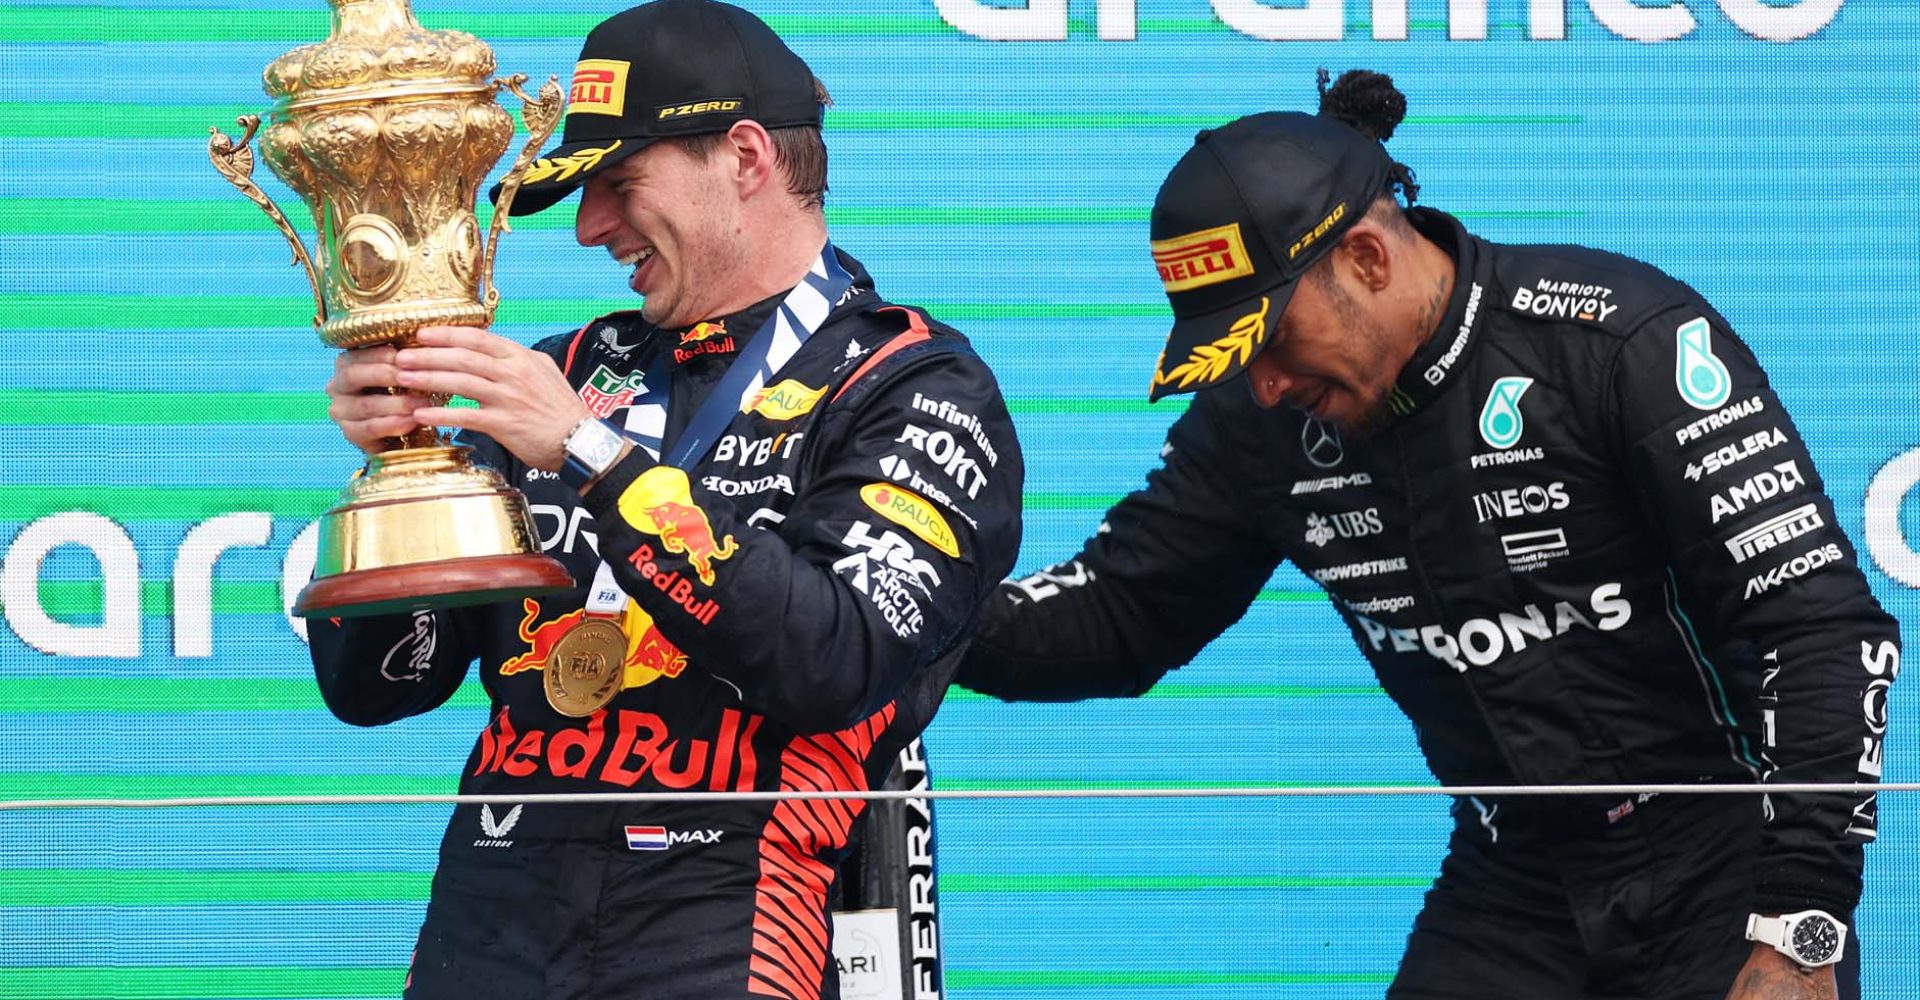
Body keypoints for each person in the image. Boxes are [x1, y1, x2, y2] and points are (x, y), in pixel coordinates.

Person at [956, 69, 1898, 1000]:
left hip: (1727, 874)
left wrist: (1798, 931)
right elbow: (1123, 611)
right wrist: (896, 616)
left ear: (1368, 258)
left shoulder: (1618, 343)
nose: (1265, 384)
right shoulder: (1260, 423)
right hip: (1514, 883)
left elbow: (1816, 632)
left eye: (1271, 338)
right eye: (1234, 356)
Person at [309, 2, 1023, 997]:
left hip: (727, 917)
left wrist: (592, 456)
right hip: (488, 921)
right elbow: (385, 683)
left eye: (619, 183)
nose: (592, 227)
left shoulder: (913, 388)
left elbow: (836, 655)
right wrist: (400, 468)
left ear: (743, 158)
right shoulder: (564, 372)